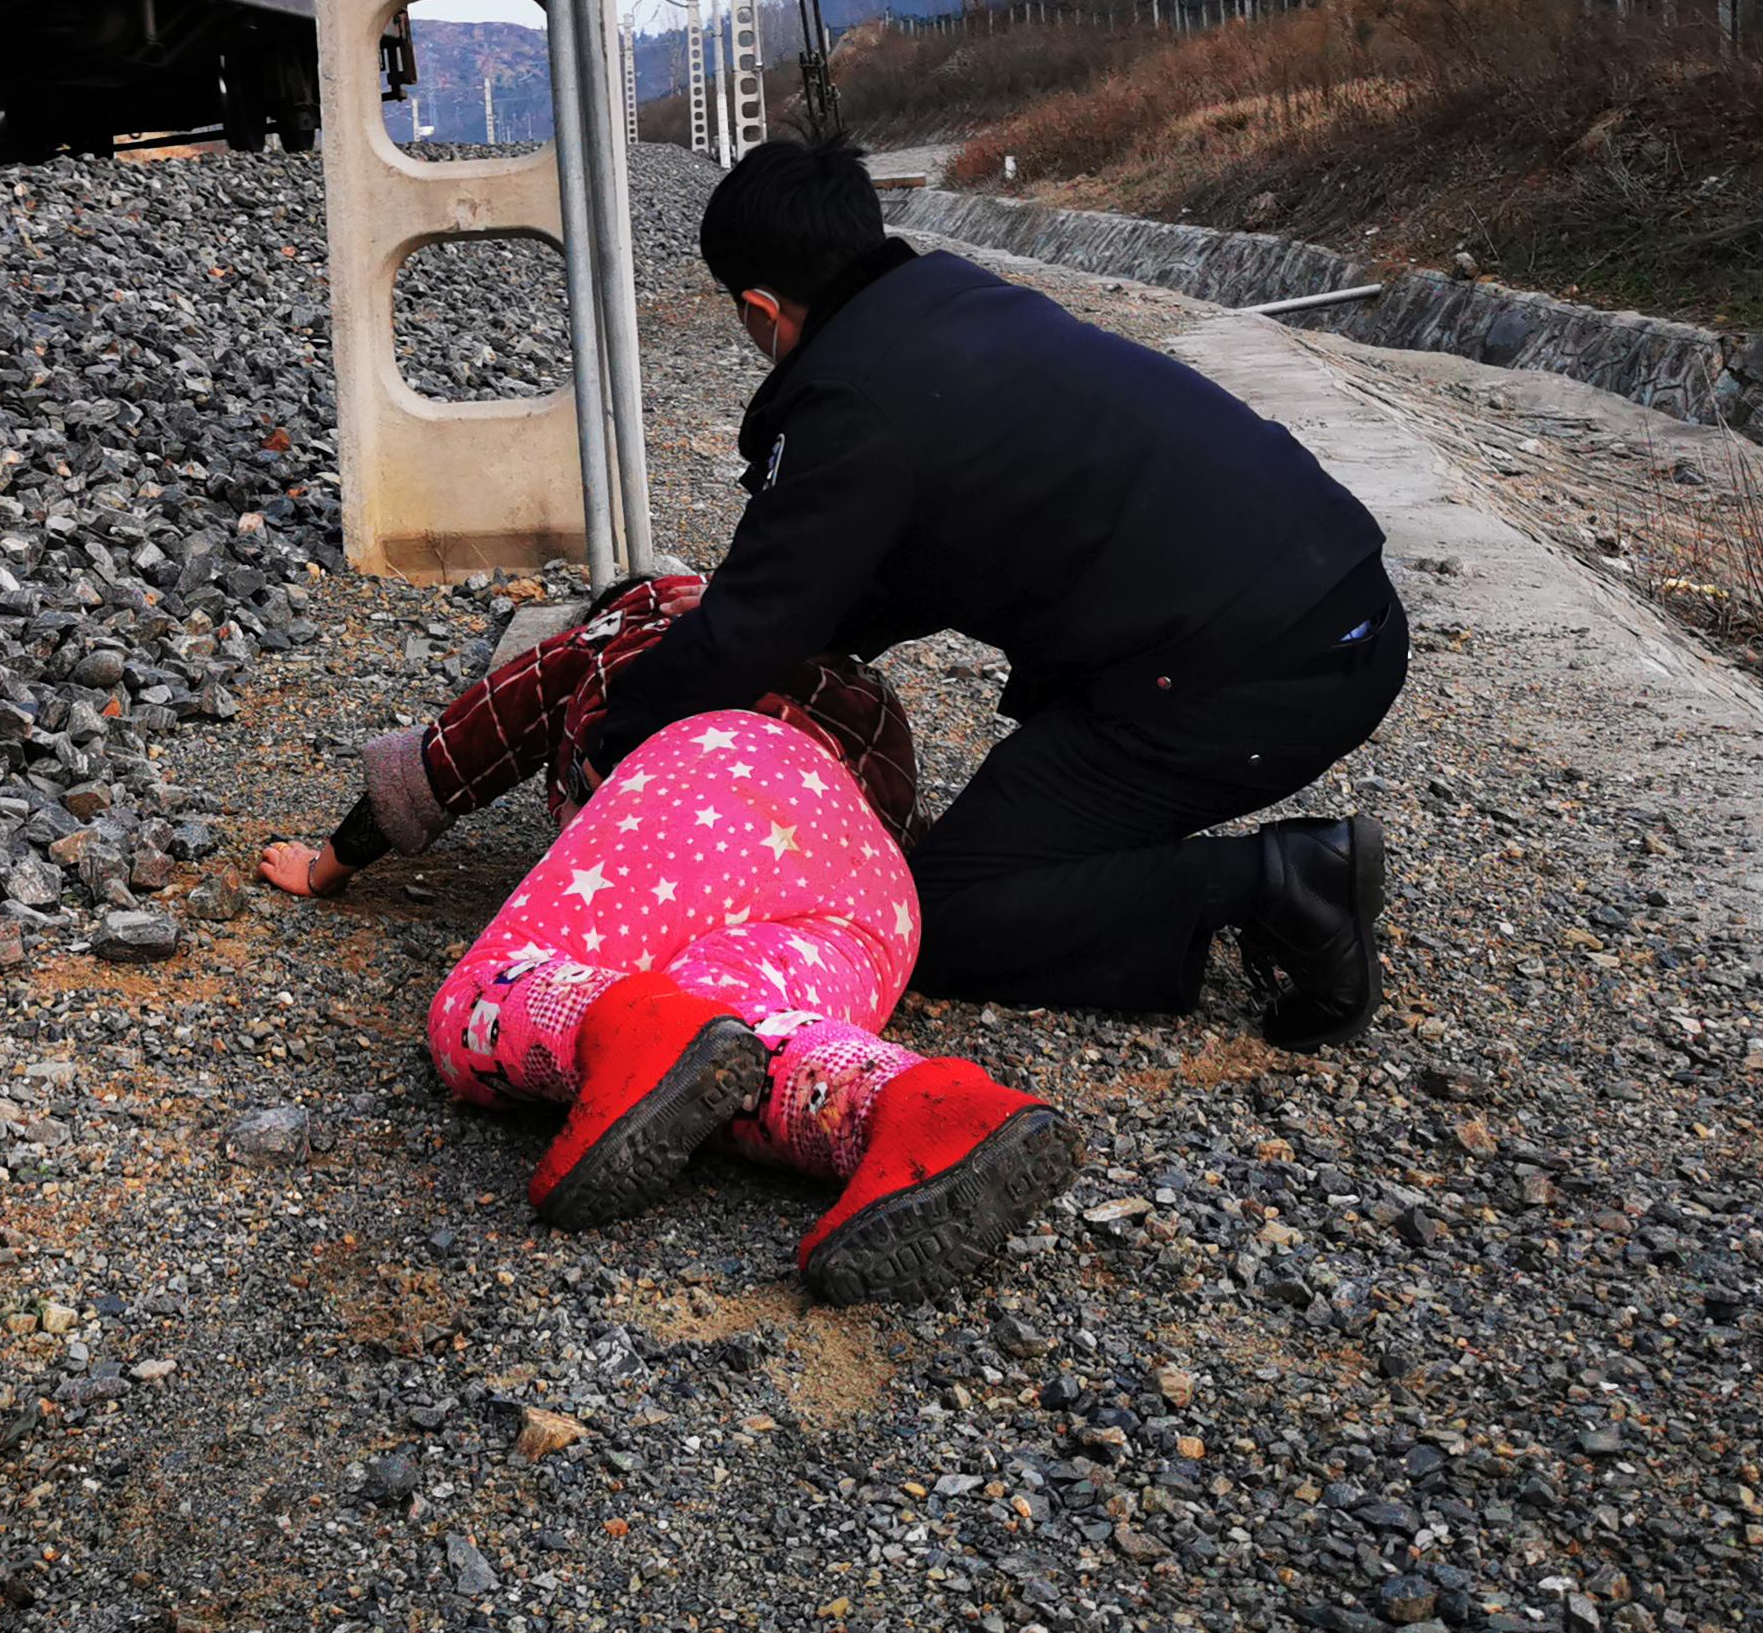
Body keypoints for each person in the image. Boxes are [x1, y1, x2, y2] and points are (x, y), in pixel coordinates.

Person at [589, 133, 1408, 1044]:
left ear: (760, 309)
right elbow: (916, 563)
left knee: (934, 918)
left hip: (1252, 680)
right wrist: (800, 633)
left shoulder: (852, 404)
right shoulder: (956, 301)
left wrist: (610, 745)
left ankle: (1283, 885)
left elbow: (749, 631)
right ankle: (1195, 870)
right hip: (1338, 600)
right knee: (1018, 835)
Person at [264, 597, 1076, 1304]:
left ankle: (617, 1025)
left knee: (481, 996)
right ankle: (917, 1106)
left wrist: (329, 866)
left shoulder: (635, 623)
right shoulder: (864, 688)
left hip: (712, 775)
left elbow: (454, 754)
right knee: (744, 1024)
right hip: (879, 890)